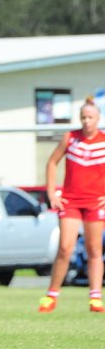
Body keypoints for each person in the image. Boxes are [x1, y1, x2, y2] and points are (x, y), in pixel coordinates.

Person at [38, 98, 105, 314]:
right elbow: (51, 162)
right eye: (83, 117)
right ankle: (51, 296)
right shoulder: (70, 138)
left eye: (90, 117)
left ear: (98, 118)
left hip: (95, 202)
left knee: (94, 249)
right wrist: (52, 193)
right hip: (71, 201)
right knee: (65, 248)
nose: (87, 121)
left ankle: (95, 298)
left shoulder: (103, 141)